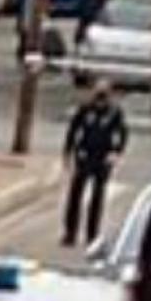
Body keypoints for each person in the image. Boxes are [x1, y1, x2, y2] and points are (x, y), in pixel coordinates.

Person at [62, 79, 128, 247]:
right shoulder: (85, 110)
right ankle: (70, 232)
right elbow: (73, 130)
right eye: (97, 96)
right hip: (85, 153)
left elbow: (122, 133)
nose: (100, 101)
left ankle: (92, 234)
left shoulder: (114, 112)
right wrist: (68, 153)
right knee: (75, 194)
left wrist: (116, 152)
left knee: (98, 196)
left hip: (103, 156)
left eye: (103, 97)